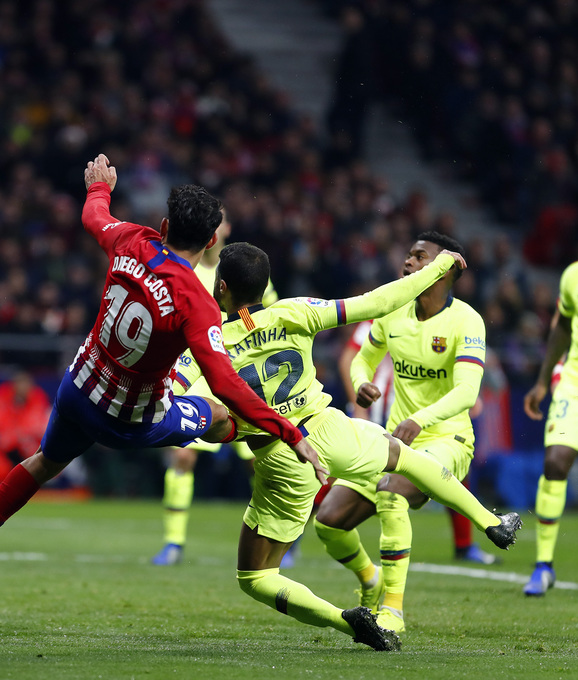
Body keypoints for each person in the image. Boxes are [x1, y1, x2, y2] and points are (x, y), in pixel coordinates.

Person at [0, 153, 327, 602]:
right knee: (222, 414)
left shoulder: (133, 240)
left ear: (166, 226)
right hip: (132, 421)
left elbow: (95, 216)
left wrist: (100, 187)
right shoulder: (197, 301)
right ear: (212, 241)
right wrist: (290, 431)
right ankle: (281, 490)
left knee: (41, 464)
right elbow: (226, 381)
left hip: (78, 390)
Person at [177, 241, 519, 650]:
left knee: (255, 577)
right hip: (329, 427)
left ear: (220, 287)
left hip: (282, 457)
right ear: (265, 285)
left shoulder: (206, 343)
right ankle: (492, 523)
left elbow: (168, 395)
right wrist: (438, 267)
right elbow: (374, 301)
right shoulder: (294, 310)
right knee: (403, 458)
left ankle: (347, 622)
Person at [314, 231, 493, 633]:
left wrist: (420, 420)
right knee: (328, 521)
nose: (408, 263)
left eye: (419, 257)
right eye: (408, 255)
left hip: (449, 440)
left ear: (444, 271)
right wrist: (361, 383)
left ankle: (392, 611)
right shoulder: (394, 312)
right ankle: (370, 580)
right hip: (398, 442)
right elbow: (363, 360)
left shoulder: (467, 320)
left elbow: (467, 391)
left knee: (392, 494)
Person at [151, 208, 278, 567]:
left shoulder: (243, 269)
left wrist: (232, 324)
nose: (216, 227)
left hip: (240, 374)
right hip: (199, 374)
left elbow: (264, 319)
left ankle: (283, 533)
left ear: (227, 228)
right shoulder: (186, 267)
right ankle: (173, 542)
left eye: (220, 220)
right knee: (182, 455)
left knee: (260, 463)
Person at [338, 319, 499, 566]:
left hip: (427, 415)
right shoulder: (380, 317)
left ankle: (465, 544)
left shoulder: (443, 318)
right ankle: (296, 540)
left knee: (451, 469)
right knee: (342, 473)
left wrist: (466, 392)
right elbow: (350, 357)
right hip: (383, 410)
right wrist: (359, 404)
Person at [523, 279, 577, 596]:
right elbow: (561, 328)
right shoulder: (574, 276)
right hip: (574, 385)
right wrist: (544, 381)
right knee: (555, 463)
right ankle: (544, 565)